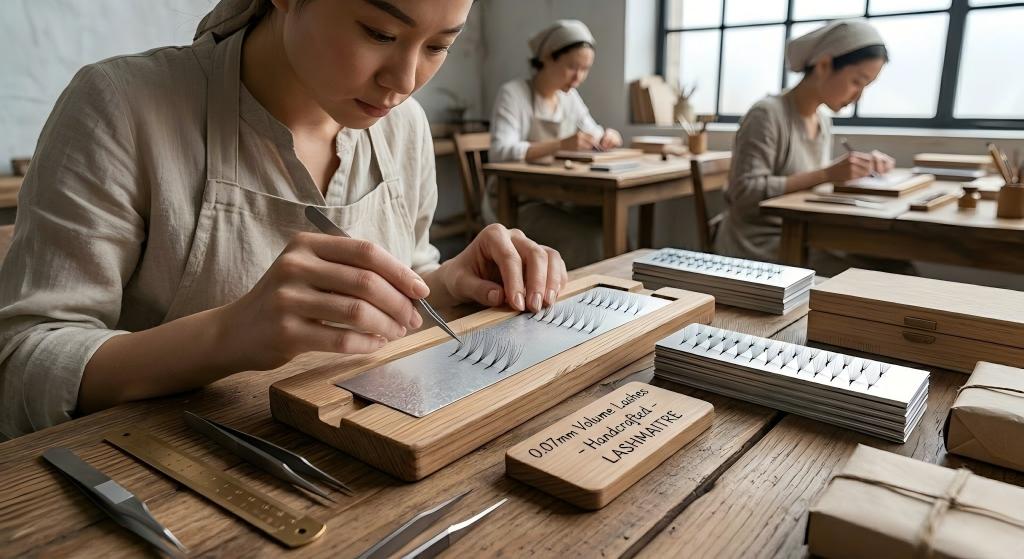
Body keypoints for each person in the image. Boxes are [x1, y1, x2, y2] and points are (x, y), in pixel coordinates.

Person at [0, 0, 568, 438]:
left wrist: (448, 283)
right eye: (379, 33)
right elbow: (23, 366)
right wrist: (228, 335)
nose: (404, 79)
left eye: (440, 45)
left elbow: (398, 298)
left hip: (366, 457)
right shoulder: (120, 107)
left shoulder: (404, 127)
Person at [714, 20, 898, 267]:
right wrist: (827, 174)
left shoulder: (822, 120)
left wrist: (855, 172)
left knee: (894, 266)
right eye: (856, 81)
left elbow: (810, 184)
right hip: (757, 244)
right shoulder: (767, 114)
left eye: (866, 86)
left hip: (802, 234)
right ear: (823, 65)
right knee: (877, 276)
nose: (858, 96)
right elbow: (745, 195)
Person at [487, 19, 622, 270]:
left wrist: (608, 136)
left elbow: (594, 131)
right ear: (548, 57)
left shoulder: (568, 98)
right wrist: (561, 144)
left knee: (608, 224)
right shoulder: (513, 93)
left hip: (559, 197)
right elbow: (500, 152)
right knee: (588, 238)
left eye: (585, 69)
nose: (578, 77)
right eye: (572, 67)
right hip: (518, 202)